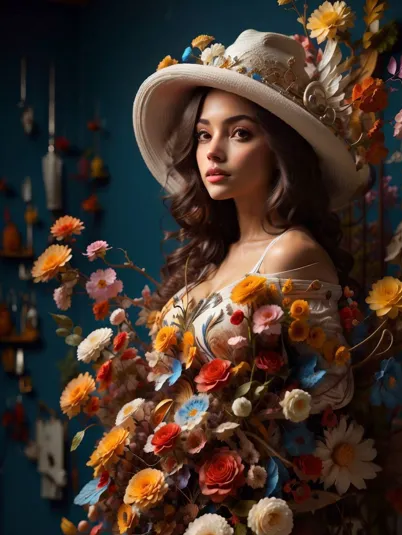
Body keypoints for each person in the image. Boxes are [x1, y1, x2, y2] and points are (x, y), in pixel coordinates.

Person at [133, 29, 370, 415]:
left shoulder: (291, 252)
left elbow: (331, 395)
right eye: (204, 135)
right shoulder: (212, 257)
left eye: (240, 133)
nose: (213, 152)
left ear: (281, 150)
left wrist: (225, 439)